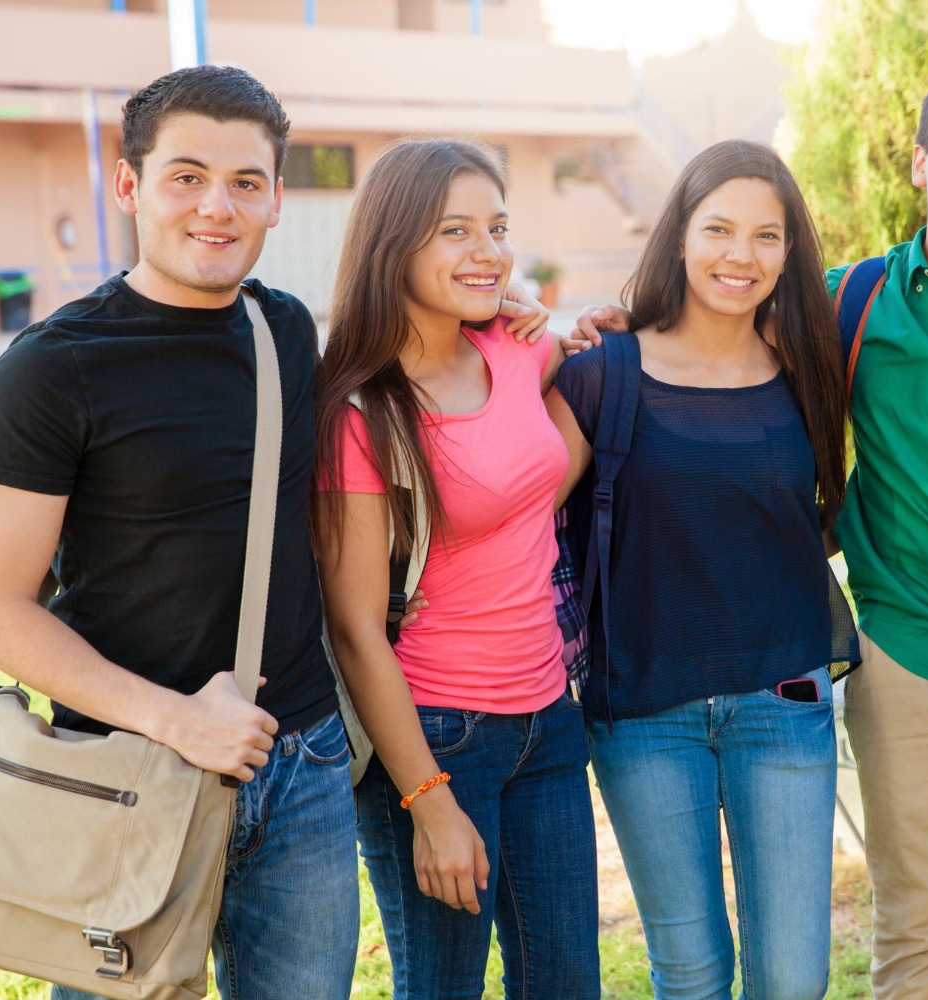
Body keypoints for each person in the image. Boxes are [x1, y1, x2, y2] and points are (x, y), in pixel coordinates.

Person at [0, 67, 539, 1000]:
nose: (215, 207)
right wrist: (177, 718)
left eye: (245, 181)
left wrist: (509, 316)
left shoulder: (284, 330)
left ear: (275, 198)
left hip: (302, 764)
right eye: (185, 176)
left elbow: (421, 353)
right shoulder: (49, 371)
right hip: (128, 772)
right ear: (129, 186)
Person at [570, 64, 928, 1000]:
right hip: (905, 652)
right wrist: (627, 324)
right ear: (921, 164)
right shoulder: (850, 303)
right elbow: (724, 331)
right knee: (911, 931)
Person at [546, 139, 855, 1000]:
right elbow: (512, 505)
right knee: (691, 973)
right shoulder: (601, 371)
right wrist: (527, 346)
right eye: (719, 228)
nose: (740, 255)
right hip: (643, 710)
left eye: (767, 235)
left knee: (793, 979)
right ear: (680, 236)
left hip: (782, 700)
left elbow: (822, 511)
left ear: (789, 252)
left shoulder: (809, 371)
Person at [313, 138, 599, 1000]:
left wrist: (590, 338)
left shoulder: (514, 355)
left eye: (498, 227)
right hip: (437, 734)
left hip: (550, 719)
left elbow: (543, 472)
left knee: (566, 985)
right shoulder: (360, 411)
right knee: (443, 987)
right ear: (393, 245)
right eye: (455, 231)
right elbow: (356, 626)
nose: (489, 251)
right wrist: (428, 800)